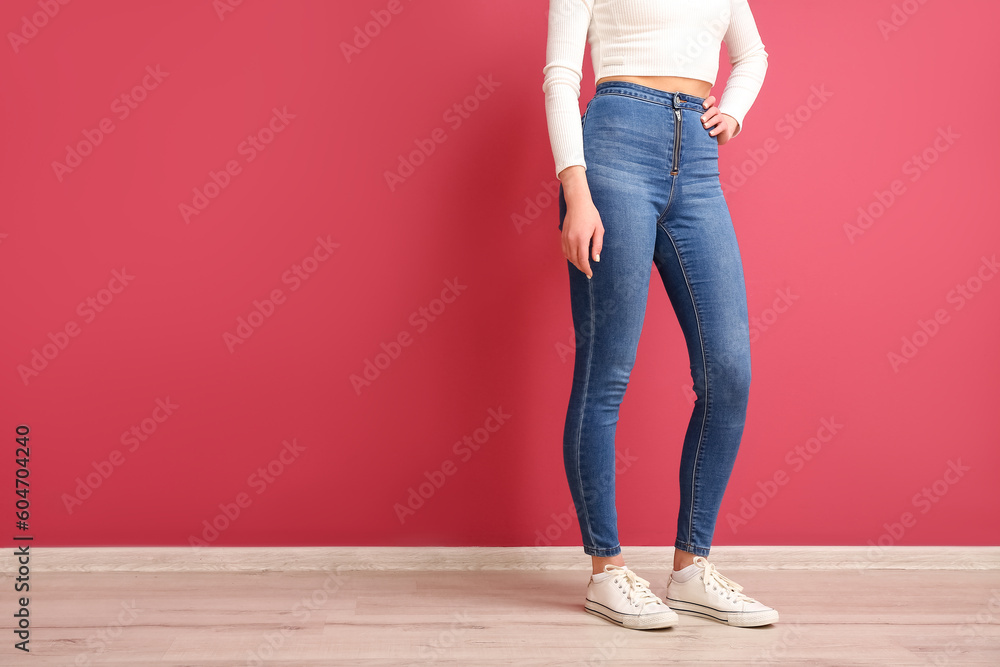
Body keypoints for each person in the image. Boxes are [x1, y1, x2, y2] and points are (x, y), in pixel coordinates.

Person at [542, 0, 779, 630]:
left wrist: (734, 109)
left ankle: (690, 569)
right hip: (614, 145)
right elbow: (562, 76)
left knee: (728, 373)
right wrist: (576, 192)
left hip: (698, 164)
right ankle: (607, 570)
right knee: (606, 376)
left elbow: (752, 54)